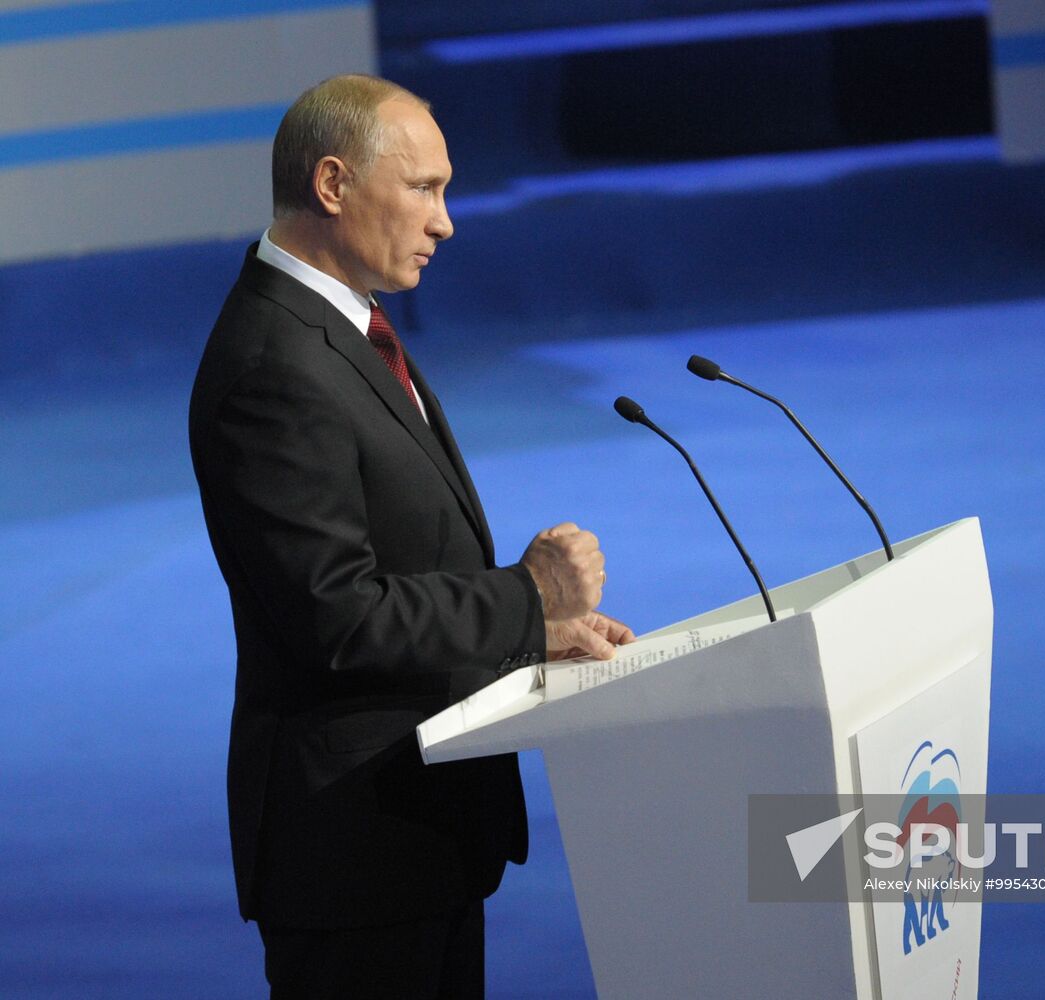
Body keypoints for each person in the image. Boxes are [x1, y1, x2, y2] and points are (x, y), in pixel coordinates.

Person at [188, 74, 633, 999]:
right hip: (352, 850)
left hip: (413, 830)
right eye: (424, 189)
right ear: (334, 185)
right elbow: (336, 616)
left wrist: (532, 640)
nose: (447, 221)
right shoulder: (274, 365)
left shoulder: (343, 328)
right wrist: (527, 596)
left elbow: (393, 571)